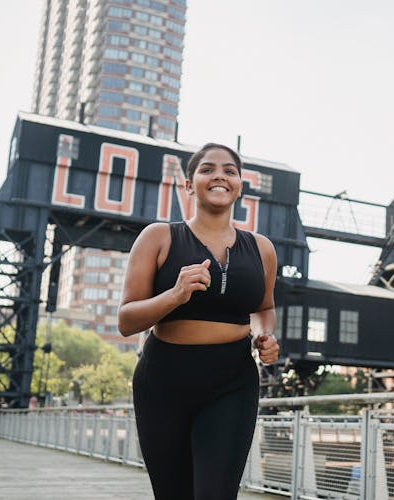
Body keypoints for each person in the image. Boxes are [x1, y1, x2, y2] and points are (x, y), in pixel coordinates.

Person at [118, 143, 280, 499]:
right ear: (189, 185)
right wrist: (174, 295)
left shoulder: (262, 248)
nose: (219, 175)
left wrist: (265, 336)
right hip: (164, 381)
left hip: (232, 382)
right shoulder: (159, 237)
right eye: (207, 169)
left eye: (229, 170)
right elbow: (127, 321)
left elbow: (264, 307)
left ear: (239, 185)